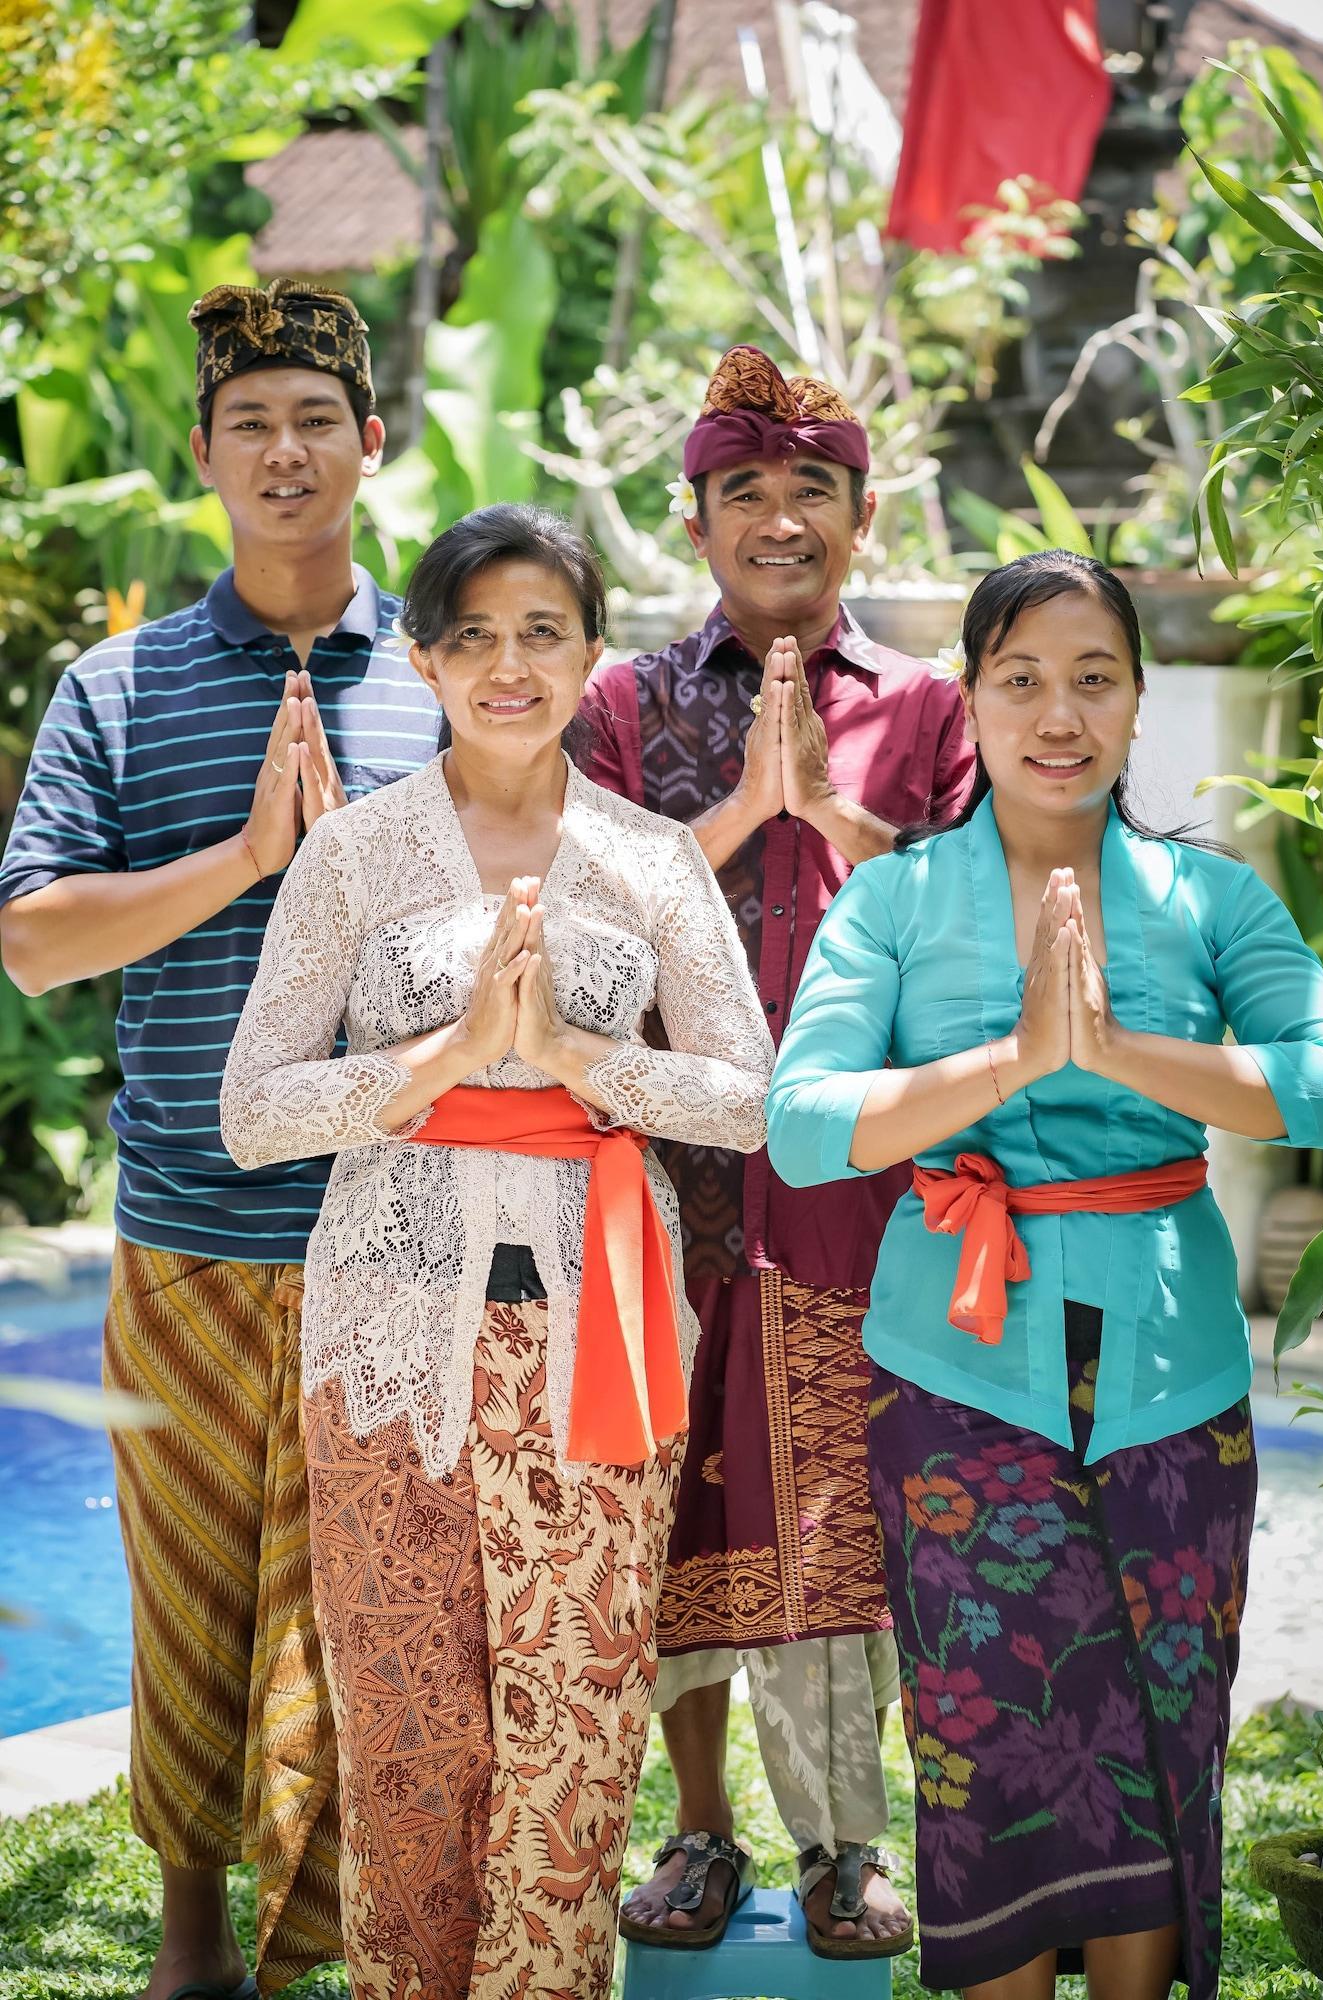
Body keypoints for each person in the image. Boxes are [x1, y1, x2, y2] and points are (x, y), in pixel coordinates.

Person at [218, 503, 775, 2000]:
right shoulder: (353, 853)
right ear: (423, 659)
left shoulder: (652, 859)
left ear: (592, 657)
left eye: (543, 634)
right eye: (473, 637)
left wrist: (581, 1060)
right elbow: (253, 1110)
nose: (509, 667)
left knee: (577, 1716)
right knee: (406, 1719)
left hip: (605, 1331)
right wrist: (437, 1063)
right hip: (387, 1336)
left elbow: (745, 1097)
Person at [766, 549, 1323, 1999]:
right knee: (991, 1730)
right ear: (969, 700)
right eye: (1019, 679)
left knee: (1158, 1719)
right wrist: (1011, 1061)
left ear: (1140, 700)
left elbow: (1320, 1084)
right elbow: (803, 1122)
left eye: (1093, 677)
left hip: (1173, 1367)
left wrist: (1115, 1052)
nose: (1058, 713)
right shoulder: (893, 902)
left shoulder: (1210, 897)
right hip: (950, 1377)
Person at [0, 279, 444, 2000]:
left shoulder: (438, 676)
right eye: (249, 422)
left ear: (368, 444)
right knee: (186, 1609)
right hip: (185, 1235)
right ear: (203, 452)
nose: (283, 450)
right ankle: (197, 1958)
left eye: (314, 419)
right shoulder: (115, 688)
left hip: (396, 1238)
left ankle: (342, 1952)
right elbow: (34, 939)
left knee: (368, 1623)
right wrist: (249, 865)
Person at [580, 343, 974, 1958]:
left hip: (854, 1184)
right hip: (660, 1174)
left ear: (861, 516)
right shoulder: (619, 703)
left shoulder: (934, 708)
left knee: (832, 1499)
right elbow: (581, 916)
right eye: (744, 490)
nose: (779, 517)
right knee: (673, 1498)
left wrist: (840, 815)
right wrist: (746, 810)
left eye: (811, 486)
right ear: (697, 523)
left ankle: (841, 1845)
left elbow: (970, 929)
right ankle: (693, 1831)